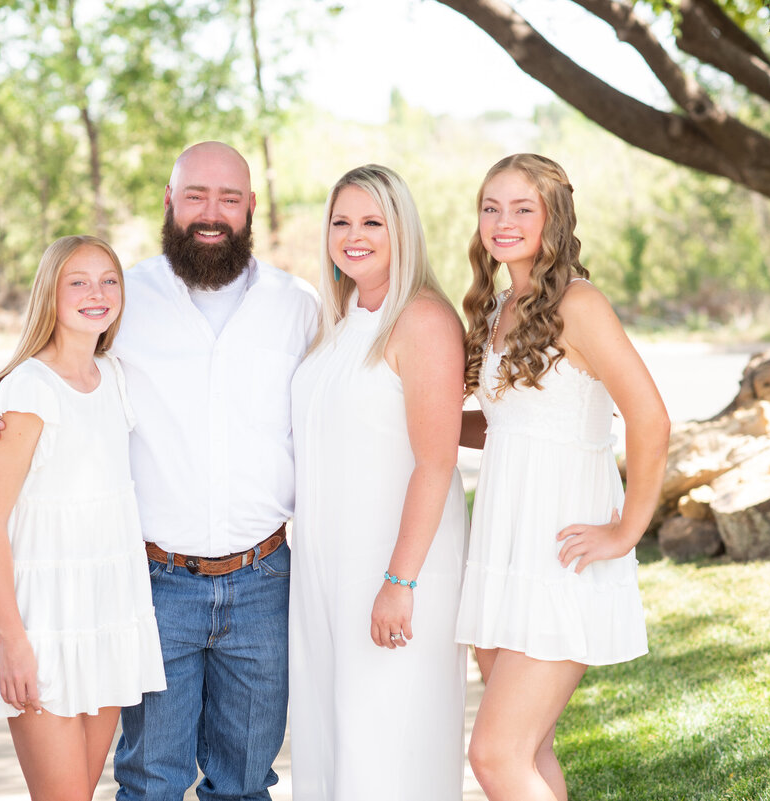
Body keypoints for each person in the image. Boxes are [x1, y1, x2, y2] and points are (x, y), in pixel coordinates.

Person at [0, 142, 320, 800]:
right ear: (169, 203)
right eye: (196, 196)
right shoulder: (125, 298)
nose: (212, 213)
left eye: (229, 198)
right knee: (151, 780)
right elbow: (46, 371)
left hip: (264, 580)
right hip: (156, 584)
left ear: (250, 208)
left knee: (245, 781)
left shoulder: (296, 306)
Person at [453, 154, 670, 801]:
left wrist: (627, 528)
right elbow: (512, 426)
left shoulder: (581, 303)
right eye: (492, 207)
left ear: (555, 216)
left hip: (560, 554)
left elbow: (650, 419)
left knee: (495, 756)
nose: (503, 221)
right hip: (505, 549)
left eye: (522, 207)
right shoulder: (501, 306)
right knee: (528, 748)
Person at [0, 235, 167, 801]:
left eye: (108, 280)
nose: (96, 294)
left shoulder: (114, 377)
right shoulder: (28, 389)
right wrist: (12, 642)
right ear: (50, 293)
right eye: (78, 281)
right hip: (42, 623)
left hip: (104, 615)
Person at [288, 164, 469, 799]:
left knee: (387, 748)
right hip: (327, 571)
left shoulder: (420, 319)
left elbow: (436, 461)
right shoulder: (339, 319)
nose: (353, 234)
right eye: (342, 221)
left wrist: (398, 582)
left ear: (402, 230)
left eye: (373, 221)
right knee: (336, 741)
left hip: (394, 570)